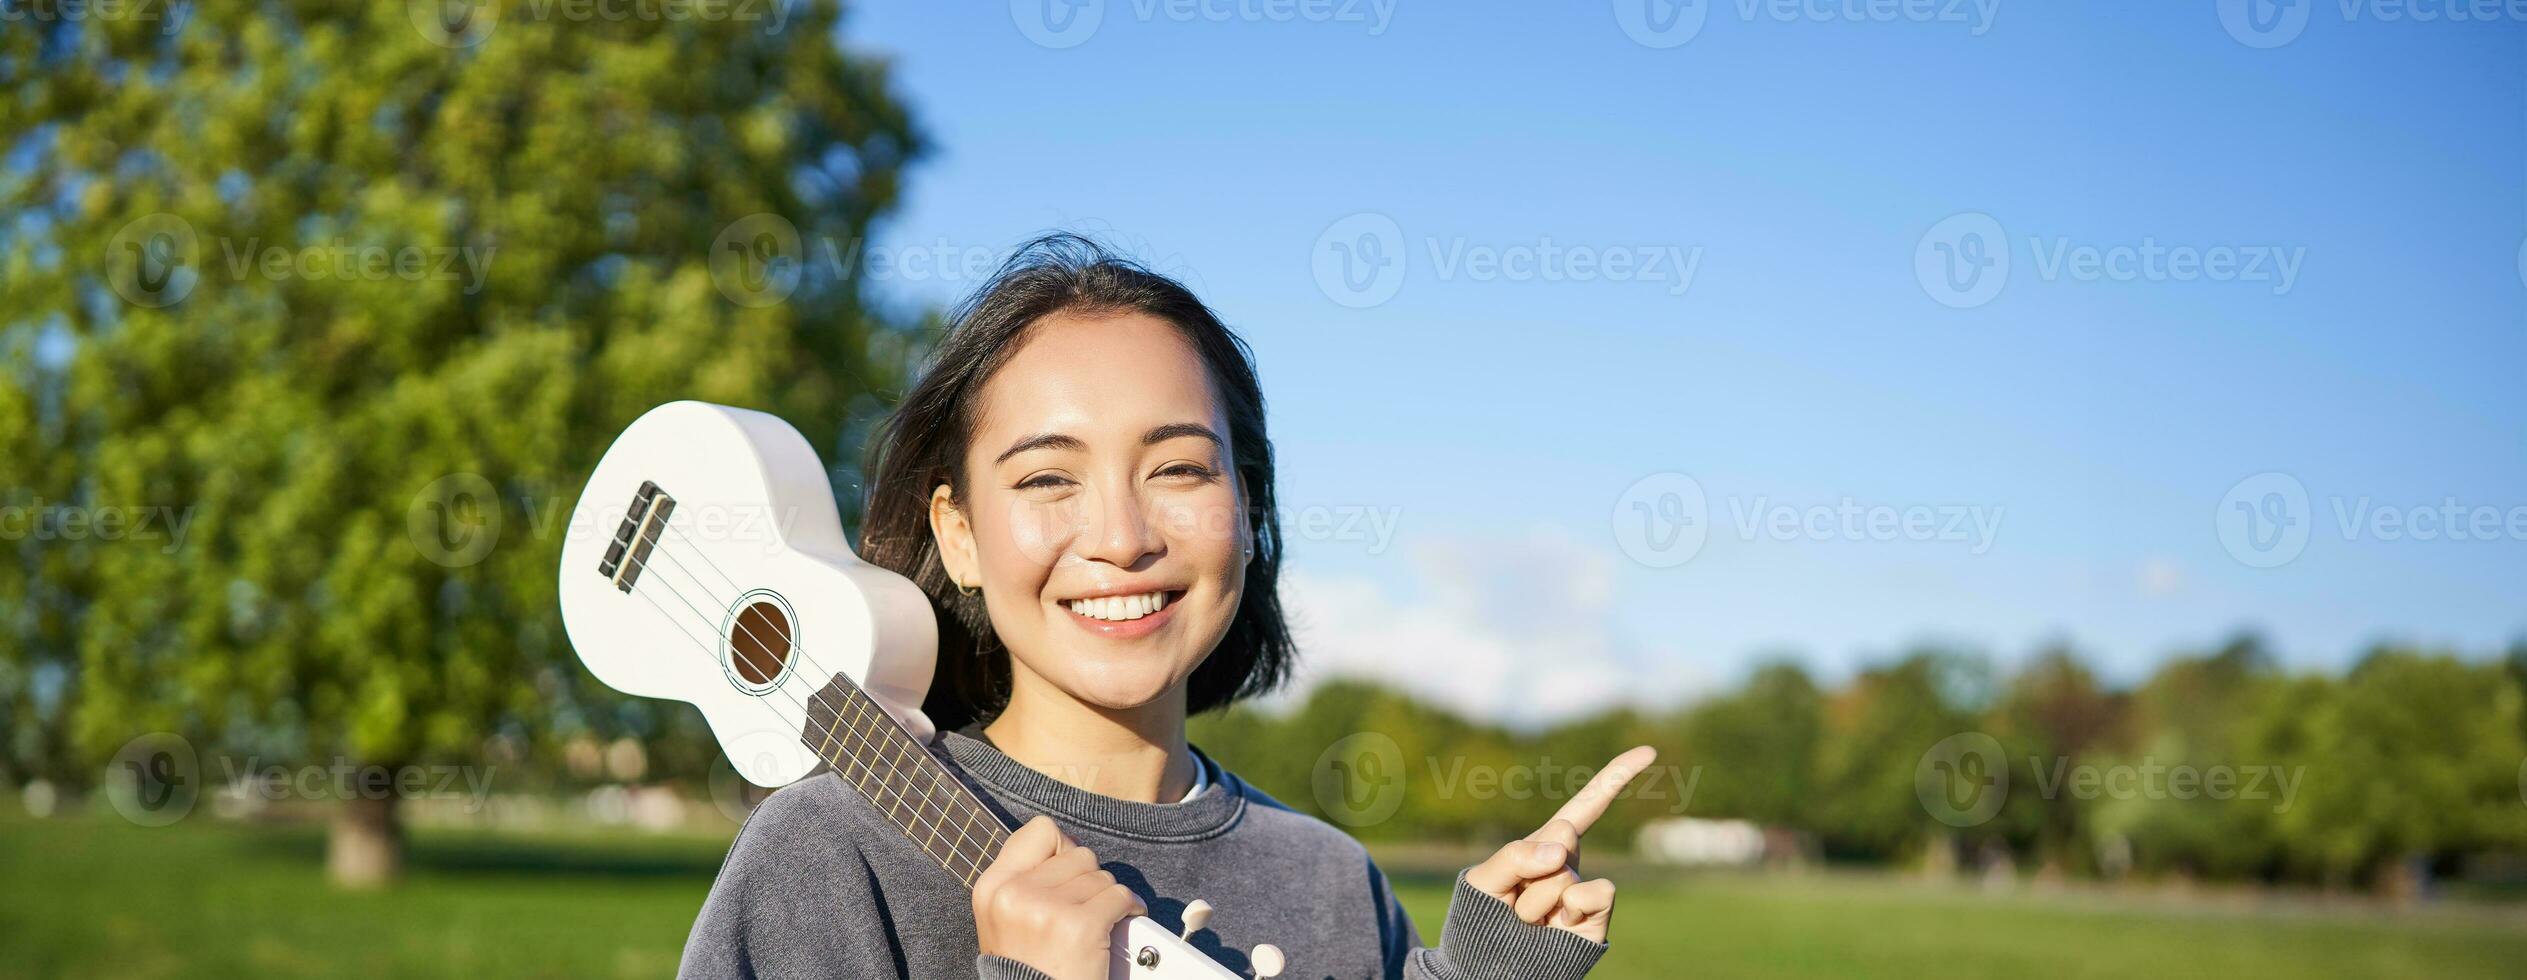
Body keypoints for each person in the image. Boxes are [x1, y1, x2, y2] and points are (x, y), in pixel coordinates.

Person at [681, 234, 1654, 980]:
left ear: (1248, 507)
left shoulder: (1330, 879)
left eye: (1180, 467)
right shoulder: (828, 852)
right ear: (959, 534)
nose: (1120, 534)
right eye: (1047, 477)